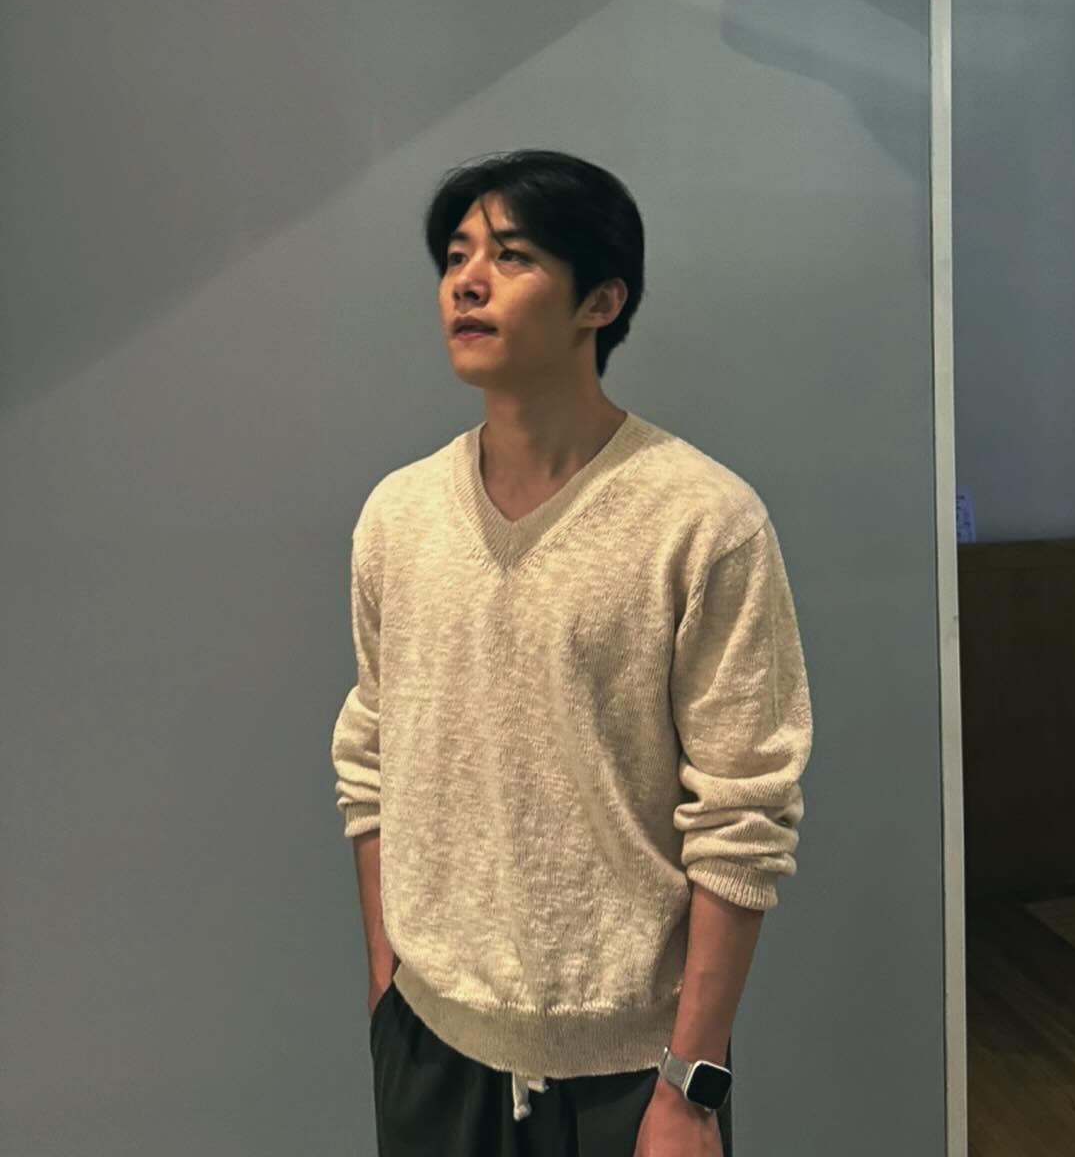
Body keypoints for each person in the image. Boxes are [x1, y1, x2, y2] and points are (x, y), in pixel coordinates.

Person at [330, 149, 814, 1156]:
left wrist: (691, 1087)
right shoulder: (397, 516)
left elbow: (743, 815)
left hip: (633, 1074)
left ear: (602, 299)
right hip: (428, 1049)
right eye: (456, 256)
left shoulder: (704, 522)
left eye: (511, 256)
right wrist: (386, 978)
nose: (467, 281)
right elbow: (370, 754)